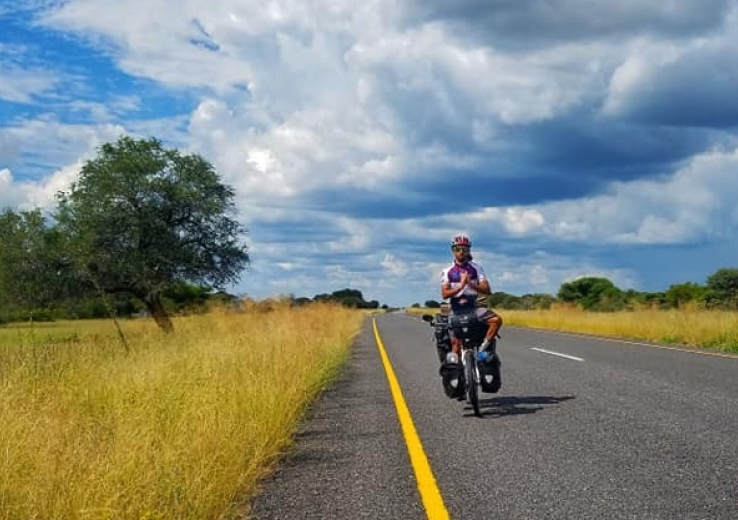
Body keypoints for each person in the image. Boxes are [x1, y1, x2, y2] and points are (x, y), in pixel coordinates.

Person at [439, 234, 503, 392]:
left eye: (464, 249)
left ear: (468, 251)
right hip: (456, 308)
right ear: (453, 251)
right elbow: (445, 294)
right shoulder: (447, 271)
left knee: (496, 320)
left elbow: (487, 290)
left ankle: (482, 348)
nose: (461, 252)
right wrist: (460, 286)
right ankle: (457, 379)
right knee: (454, 342)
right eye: (457, 249)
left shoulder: (476, 268)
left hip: (474, 307)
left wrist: (470, 284)